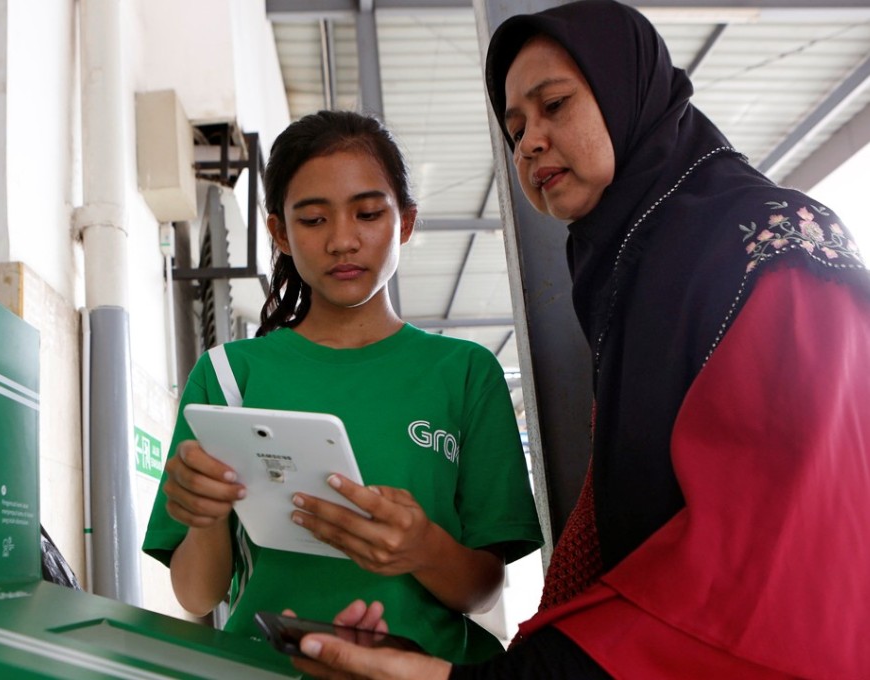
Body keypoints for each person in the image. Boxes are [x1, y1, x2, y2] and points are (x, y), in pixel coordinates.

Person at [287, 1, 870, 678]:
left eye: (554, 105)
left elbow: (779, 559)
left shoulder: (767, 244)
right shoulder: (637, 274)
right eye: (514, 128)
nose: (529, 141)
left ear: (630, 95)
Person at [141, 109, 543, 665]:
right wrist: (207, 516)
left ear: (404, 223)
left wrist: (422, 548)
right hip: (269, 667)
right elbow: (196, 594)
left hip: (425, 670)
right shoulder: (229, 378)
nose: (343, 240)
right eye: (312, 220)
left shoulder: (465, 372)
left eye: (368, 213)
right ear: (279, 232)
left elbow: (481, 591)